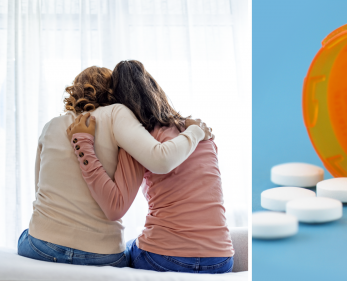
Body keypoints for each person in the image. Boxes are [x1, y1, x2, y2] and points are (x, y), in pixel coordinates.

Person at [18, 66, 212, 267]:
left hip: (41, 246)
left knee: (26, 234)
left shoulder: (50, 126)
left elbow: (39, 191)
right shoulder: (117, 114)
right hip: (102, 253)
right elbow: (159, 159)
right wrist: (194, 131)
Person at [66, 60, 234, 273]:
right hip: (220, 258)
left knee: (122, 251)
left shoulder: (138, 141)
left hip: (164, 257)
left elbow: (114, 207)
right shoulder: (202, 133)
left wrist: (84, 147)